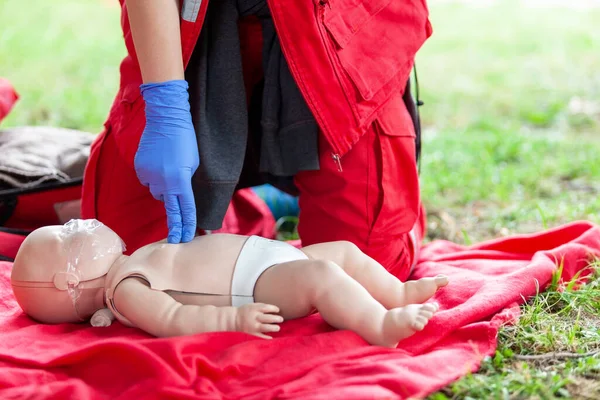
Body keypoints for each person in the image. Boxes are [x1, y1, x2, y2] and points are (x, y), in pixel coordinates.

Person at [81, 0, 433, 280]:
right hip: (193, 36)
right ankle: (250, 209)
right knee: (127, 265)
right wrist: (165, 102)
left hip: (331, 38)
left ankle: (380, 193)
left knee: (369, 272)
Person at [10, 219, 448, 347]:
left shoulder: (130, 261)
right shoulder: (125, 288)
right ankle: (379, 325)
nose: (79, 222)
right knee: (322, 276)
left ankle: (395, 292)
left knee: (344, 251)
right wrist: (234, 318)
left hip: (267, 255)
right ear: (68, 279)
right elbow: (173, 319)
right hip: (256, 283)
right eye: (69, 233)